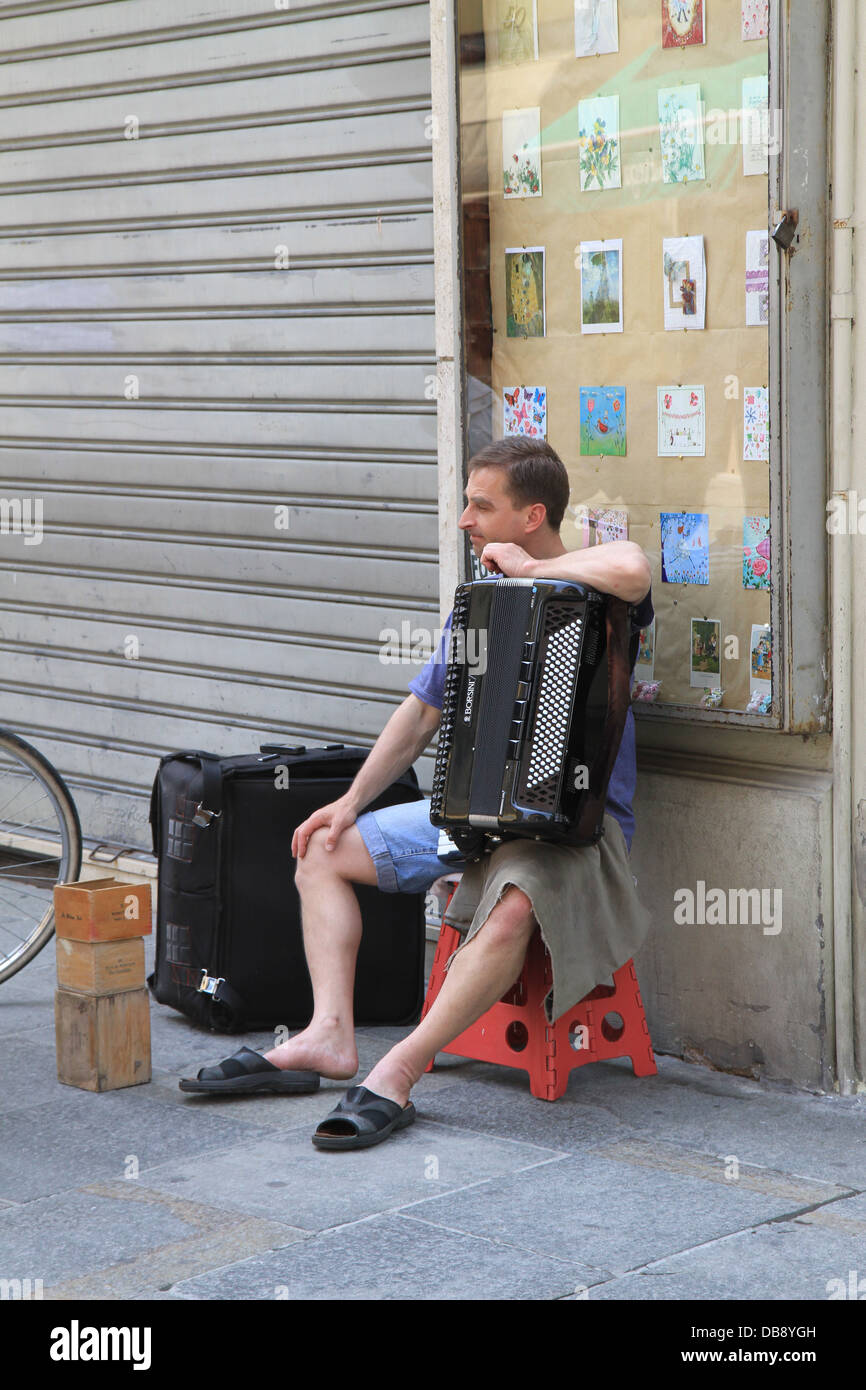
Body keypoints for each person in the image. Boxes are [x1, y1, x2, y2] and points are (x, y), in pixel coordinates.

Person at [180, 438, 654, 1150]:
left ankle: (399, 1069)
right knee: (324, 851)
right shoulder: (482, 604)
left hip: (578, 832)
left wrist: (536, 568)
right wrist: (350, 802)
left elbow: (635, 566)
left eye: (480, 505)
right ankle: (329, 1037)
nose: (464, 519)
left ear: (532, 515)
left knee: (513, 904)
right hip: (477, 819)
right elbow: (420, 715)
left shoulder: (596, 584)